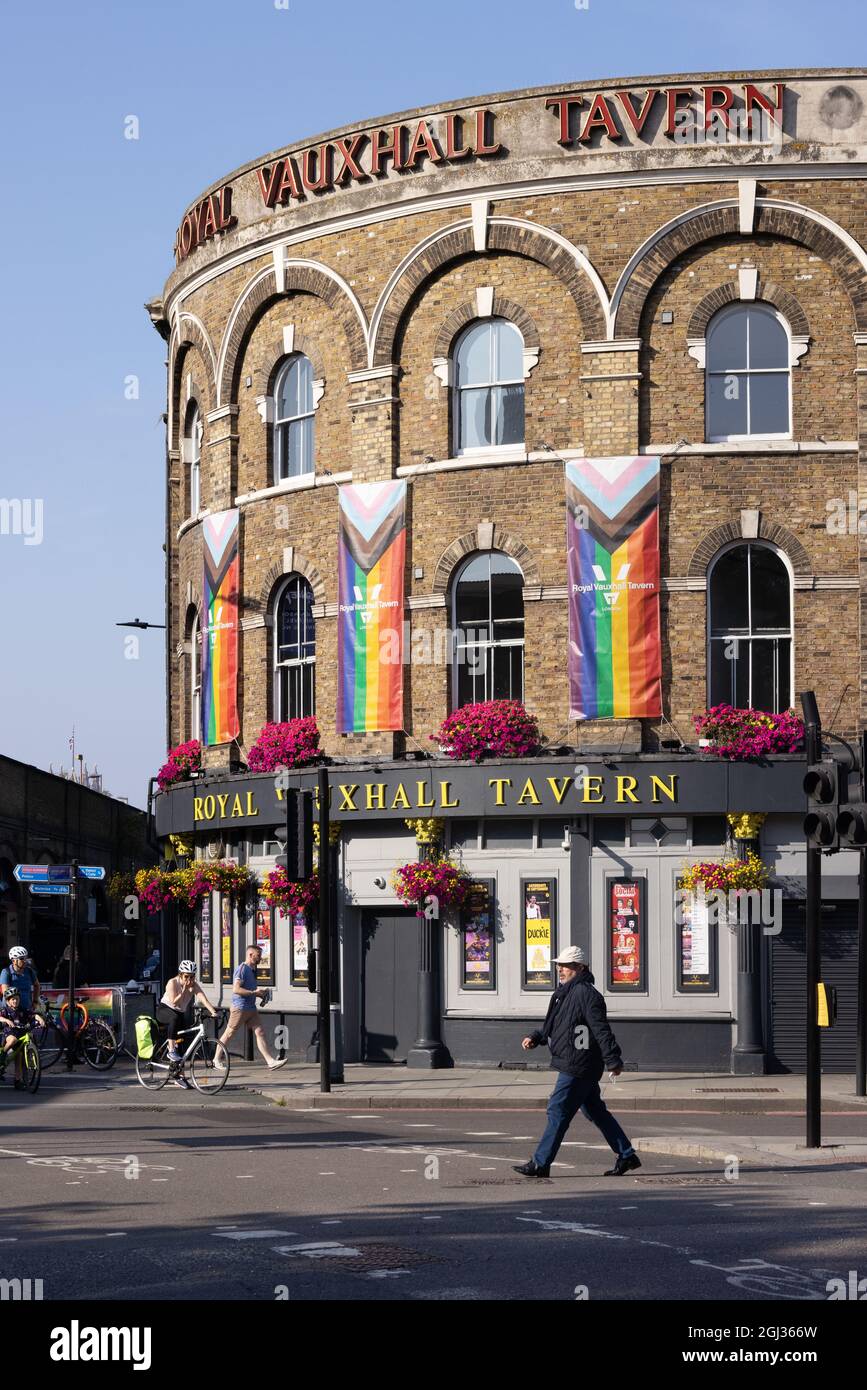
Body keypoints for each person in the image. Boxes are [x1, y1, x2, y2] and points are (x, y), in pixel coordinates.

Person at [513, 946, 641, 1179]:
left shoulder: (586, 994)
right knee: (595, 1111)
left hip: (578, 1064)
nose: (560, 969)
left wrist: (613, 1059)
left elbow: (601, 1029)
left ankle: (540, 1163)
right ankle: (627, 1155)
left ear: (580, 968)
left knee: (557, 1109)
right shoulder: (565, 992)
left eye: (567, 965)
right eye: (560, 965)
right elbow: (555, 1024)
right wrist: (537, 1036)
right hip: (576, 1062)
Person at [218, 945, 286, 1070]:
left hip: (251, 1008)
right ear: (250, 955)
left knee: (260, 1032)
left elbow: (250, 990)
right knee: (229, 1033)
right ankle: (216, 1059)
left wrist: (261, 995)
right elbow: (236, 989)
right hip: (240, 1007)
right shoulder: (242, 969)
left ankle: (270, 1061)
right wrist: (255, 993)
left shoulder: (252, 969)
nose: (260, 957)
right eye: (258, 955)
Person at [158, 960, 219, 1089]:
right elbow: (174, 1003)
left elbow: (204, 999)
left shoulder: (194, 985)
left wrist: (213, 1012)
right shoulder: (172, 983)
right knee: (174, 1019)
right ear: (180, 975)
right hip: (165, 1010)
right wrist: (184, 990)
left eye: (192, 976)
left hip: (179, 1014)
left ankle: (179, 1077)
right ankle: (171, 1050)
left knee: (182, 1048)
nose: (189, 979)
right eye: (186, 976)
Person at [0, 985, 30, 1090]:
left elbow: (32, 1015)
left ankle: (18, 1081)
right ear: (8, 1001)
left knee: (19, 1056)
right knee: (12, 1039)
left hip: (19, 1036)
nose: (15, 1001)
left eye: (17, 999)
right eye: (13, 999)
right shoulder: (5, 1010)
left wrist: (39, 1018)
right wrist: (6, 1020)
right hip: (8, 1035)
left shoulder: (22, 1010)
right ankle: (2, 1056)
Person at [0, 947, 40, 1016]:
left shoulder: (30, 971)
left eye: (25, 958)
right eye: (21, 959)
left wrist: (35, 1001)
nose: (25, 961)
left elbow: (37, 985)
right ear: (14, 961)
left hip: (27, 1010)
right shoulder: (6, 972)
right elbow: (5, 993)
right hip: (11, 1012)